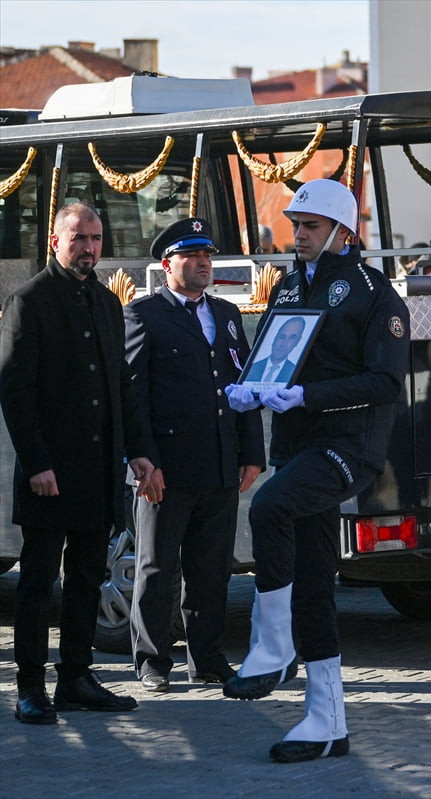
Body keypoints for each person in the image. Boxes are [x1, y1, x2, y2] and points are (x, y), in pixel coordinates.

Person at [221, 179, 409, 763]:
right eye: (295, 224)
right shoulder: (288, 284)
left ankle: (272, 646)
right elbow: (275, 356)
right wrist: (253, 391)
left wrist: (307, 396)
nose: (297, 234)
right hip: (300, 444)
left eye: (309, 226)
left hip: (348, 445)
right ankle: (326, 721)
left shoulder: (374, 294)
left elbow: (385, 382)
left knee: (272, 505)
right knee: (313, 585)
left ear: (341, 232)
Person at [0, 203, 157, 724]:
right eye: (79, 238)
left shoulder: (108, 303)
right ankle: (29, 686)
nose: (89, 247)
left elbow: (121, 389)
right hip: (49, 473)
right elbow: (15, 393)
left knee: (88, 576)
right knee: (38, 582)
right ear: (54, 240)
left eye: (96, 237)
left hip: (98, 470)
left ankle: (75, 678)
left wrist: (139, 450)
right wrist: (37, 462)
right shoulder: (29, 301)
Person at [124, 217, 266, 692]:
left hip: (220, 463)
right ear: (168, 265)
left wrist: (251, 452)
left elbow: (241, 384)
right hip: (166, 469)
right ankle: (151, 661)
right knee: (157, 568)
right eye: (192, 255)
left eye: (207, 254)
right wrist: (143, 460)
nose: (204, 262)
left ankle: (206, 657)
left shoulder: (225, 314)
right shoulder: (144, 315)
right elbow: (133, 396)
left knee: (211, 571)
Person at [242, 316, 304, 384]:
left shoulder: (295, 371)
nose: (284, 344)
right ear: (275, 338)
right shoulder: (252, 368)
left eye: (292, 338)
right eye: (282, 337)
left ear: (297, 342)